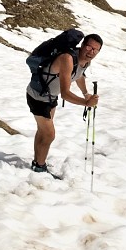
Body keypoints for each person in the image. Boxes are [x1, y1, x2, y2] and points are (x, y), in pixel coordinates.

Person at [27, 33, 102, 173]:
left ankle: (37, 162)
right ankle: (40, 168)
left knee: (43, 132)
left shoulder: (86, 61)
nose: (91, 51)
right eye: (89, 47)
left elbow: (79, 76)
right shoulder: (67, 59)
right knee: (49, 134)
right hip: (38, 96)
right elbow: (66, 94)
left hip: (50, 97)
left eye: (95, 49)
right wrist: (86, 103)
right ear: (82, 45)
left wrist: (86, 94)